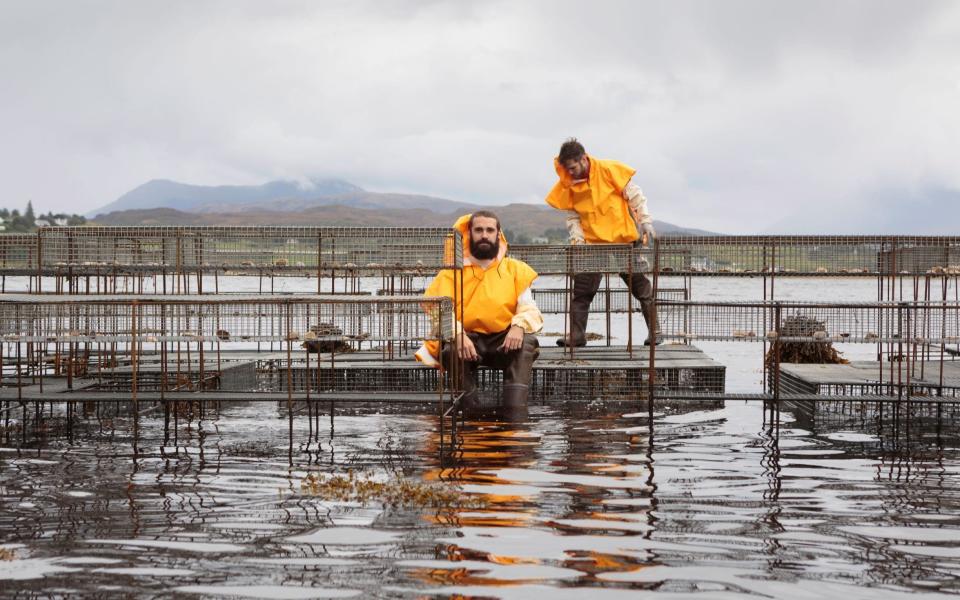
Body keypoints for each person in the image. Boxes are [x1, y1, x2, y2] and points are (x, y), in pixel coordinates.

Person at [415, 211, 543, 416]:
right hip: (467, 341)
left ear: (498, 235)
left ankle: (515, 415)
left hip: (503, 341)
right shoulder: (449, 274)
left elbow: (529, 307)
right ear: (469, 234)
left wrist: (518, 326)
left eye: (490, 230)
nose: (484, 235)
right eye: (479, 230)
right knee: (449, 349)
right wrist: (458, 334)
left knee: (527, 342)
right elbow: (439, 312)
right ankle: (469, 413)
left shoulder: (515, 269)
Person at [545, 138, 659, 346]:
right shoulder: (568, 183)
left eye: (572, 167)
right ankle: (577, 336)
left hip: (624, 240)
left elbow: (635, 196)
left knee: (640, 286)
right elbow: (573, 216)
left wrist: (645, 221)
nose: (570, 172)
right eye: (566, 169)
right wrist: (577, 241)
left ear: (583, 159)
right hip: (592, 244)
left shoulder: (608, 170)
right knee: (582, 290)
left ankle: (656, 332)